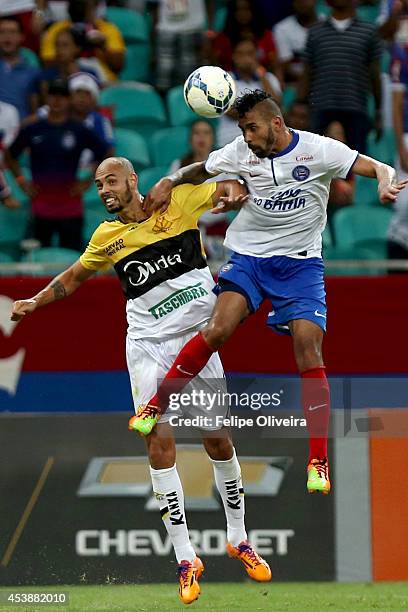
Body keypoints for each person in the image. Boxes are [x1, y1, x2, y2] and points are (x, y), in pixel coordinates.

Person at [10, 156, 271, 605]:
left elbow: (224, 185)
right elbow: (73, 278)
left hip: (198, 341)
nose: (103, 189)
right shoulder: (107, 237)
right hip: (148, 347)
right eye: (96, 184)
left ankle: (238, 537)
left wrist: (231, 192)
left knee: (217, 440)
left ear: (133, 179)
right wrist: (36, 299)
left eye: (110, 180)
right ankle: (187, 558)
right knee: (157, 443)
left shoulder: (181, 201)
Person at [135, 89, 406, 495]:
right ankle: (156, 404)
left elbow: (376, 166)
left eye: (252, 128)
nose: (246, 136)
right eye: (242, 129)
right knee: (216, 330)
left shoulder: (319, 150)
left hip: (300, 265)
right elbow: (199, 170)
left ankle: (318, 460)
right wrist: (168, 180)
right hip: (248, 258)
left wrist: (386, 183)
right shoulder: (241, 153)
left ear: (276, 124)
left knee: (309, 349)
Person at [5, 79, 109, 251]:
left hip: (70, 207)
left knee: (72, 262)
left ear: (68, 100)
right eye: (53, 95)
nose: (57, 100)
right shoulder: (33, 129)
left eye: (62, 96)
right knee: (36, 265)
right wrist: (22, 180)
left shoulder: (78, 129)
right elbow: (10, 155)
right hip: (40, 207)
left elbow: (106, 155)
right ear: (47, 98)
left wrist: (88, 182)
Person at [301, 0, 383, 154]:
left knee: (356, 163)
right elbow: (307, 72)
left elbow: (374, 74)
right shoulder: (315, 31)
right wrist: (301, 103)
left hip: (356, 108)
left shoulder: (369, 31)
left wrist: (378, 111)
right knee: (317, 161)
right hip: (321, 107)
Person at [217, 39, 281, 147]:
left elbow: (276, 107)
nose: (246, 58)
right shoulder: (224, 79)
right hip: (230, 143)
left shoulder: (269, 78)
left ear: (256, 55)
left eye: (250, 53)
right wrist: (263, 111)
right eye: (241, 53)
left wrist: (261, 74)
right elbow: (232, 112)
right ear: (234, 56)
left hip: (264, 144)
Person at [40, 0, 125, 82]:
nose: (81, 8)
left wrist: (103, 46)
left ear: (95, 7)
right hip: (66, 80)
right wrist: (71, 53)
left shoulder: (107, 29)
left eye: (86, 5)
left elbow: (118, 66)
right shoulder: (58, 30)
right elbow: (47, 64)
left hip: (105, 82)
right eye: (79, 4)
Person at [387, 43, 408, 261]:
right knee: (405, 205)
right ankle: (395, 264)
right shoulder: (403, 52)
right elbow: (397, 102)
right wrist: (401, 146)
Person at [0, 15, 40, 119]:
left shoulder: (32, 71)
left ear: (21, 36)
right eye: (2, 32)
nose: (7, 37)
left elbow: (34, 111)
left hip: (21, 130)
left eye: (12, 32)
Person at [273, 0, 319, 85]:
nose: (302, 2)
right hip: (296, 83)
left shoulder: (328, 23)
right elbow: (286, 66)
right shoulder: (282, 28)